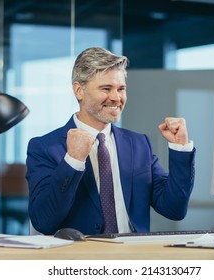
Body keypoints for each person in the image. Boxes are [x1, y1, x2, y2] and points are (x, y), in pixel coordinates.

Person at [26, 47, 196, 235]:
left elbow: (174, 209)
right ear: (79, 91)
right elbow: (43, 221)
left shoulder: (139, 145)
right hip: (80, 260)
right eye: (106, 88)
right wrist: (73, 161)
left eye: (121, 89)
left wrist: (180, 148)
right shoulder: (44, 147)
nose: (116, 98)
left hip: (134, 257)